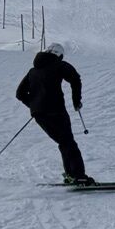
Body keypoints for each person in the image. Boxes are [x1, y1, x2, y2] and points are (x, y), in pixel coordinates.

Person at [17, 42, 91, 186]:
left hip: (39, 115)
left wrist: (35, 105)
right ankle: (79, 176)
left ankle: (71, 175)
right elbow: (75, 79)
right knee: (68, 143)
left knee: (64, 142)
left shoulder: (33, 71)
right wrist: (76, 101)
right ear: (59, 55)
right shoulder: (59, 65)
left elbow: (20, 94)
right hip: (56, 111)